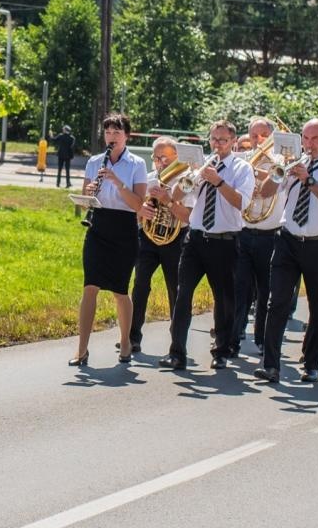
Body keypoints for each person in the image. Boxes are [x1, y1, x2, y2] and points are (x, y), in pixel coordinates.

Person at [254, 119, 318, 384]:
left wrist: (308, 180)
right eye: (306, 139)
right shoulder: (293, 164)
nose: (310, 144)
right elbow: (264, 193)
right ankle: (271, 365)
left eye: (315, 139)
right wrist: (279, 172)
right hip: (288, 240)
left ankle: (311, 363)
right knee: (278, 303)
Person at [160, 121, 254, 370]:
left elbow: (241, 203)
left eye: (223, 140)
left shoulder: (242, 168)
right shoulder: (201, 167)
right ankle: (176, 351)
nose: (217, 144)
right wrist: (191, 177)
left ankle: (221, 350)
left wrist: (219, 182)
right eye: (214, 139)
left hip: (225, 240)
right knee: (182, 295)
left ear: (233, 142)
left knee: (224, 299)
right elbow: (176, 197)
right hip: (196, 238)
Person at [70, 113, 149, 366]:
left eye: (116, 132)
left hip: (124, 229)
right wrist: (90, 192)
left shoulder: (137, 164)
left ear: (127, 135)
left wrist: (117, 182)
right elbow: (84, 202)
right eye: (108, 133)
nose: (111, 137)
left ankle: (125, 341)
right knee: (89, 287)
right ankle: (81, 349)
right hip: (98, 226)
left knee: (120, 291)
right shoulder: (94, 161)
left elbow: (139, 204)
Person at [231, 117, 285, 357]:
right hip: (243, 232)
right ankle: (232, 337)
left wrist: (259, 176)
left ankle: (262, 339)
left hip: (269, 235)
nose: (258, 140)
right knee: (239, 288)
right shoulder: (242, 160)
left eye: (264, 135)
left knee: (266, 291)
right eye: (254, 136)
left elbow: (277, 181)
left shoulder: (281, 161)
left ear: (272, 136)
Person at [128, 136, 186, 354]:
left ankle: (176, 340)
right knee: (140, 284)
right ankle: (133, 336)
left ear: (176, 157)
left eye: (165, 157)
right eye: (157, 157)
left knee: (175, 289)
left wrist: (168, 200)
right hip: (148, 238)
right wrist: (143, 208)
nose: (161, 162)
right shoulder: (149, 179)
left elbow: (187, 215)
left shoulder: (183, 181)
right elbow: (136, 212)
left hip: (175, 239)